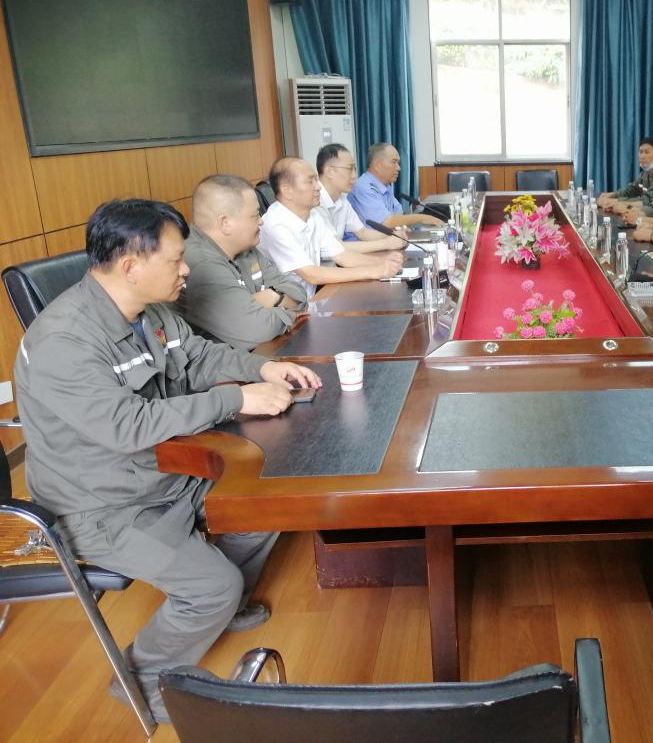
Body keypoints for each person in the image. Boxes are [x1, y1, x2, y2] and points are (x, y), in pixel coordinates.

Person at [15, 199, 322, 723]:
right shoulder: (61, 342)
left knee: (263, 499)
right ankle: (143, 677)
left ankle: (222, 606)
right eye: (176, 259)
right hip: (101, 504)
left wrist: (262, 369)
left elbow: (198, 356)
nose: (186, 270)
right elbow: (126, 426)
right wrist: (235, 398)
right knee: (213, 586)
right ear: (131, 266)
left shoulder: (149, 310)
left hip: (166, 471)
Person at [176, 174, 307, 351]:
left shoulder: (245, 246)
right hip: (227, 364)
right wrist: (288, 312)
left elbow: (298, 293)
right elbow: (257, 330)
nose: (261, 220)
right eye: (255, 215)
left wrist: (273, 295)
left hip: (266, 351)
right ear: (226, 223)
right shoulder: (201, 263)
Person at [259, 157, 404, 300]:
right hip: (285, 309)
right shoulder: (276, 224)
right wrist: (372, 271)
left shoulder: (313, 215)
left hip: (310, 299)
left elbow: (342, 256)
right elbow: (311, 273)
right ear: (287, 190)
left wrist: (383, 262)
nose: (318, 187)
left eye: (316, 179)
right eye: (310, 181)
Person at [315, 143, 411, 253]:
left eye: (354, 169)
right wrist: (386, 243)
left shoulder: (342, 200)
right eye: (350, 169)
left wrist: (394, 235)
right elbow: (334, 247)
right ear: (330, 171)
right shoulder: (315, 201)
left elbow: (362, 232)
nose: (354, 176)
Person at [347, 142, 445, 229]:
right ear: (377, 165)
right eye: (394, 162)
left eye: (398, 163)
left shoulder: (385, 186)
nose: (399, 168)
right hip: (364, 243)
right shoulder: (363, 187)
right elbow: (386, 222)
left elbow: (399, 216)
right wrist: (422, 218)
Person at [597, 135, 653, 211]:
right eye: (640, 152)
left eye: (647, 152)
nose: (642, 156)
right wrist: (611, 195)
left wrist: (616, 201)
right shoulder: (644, 174)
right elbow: (631, 190)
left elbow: (647, 200)